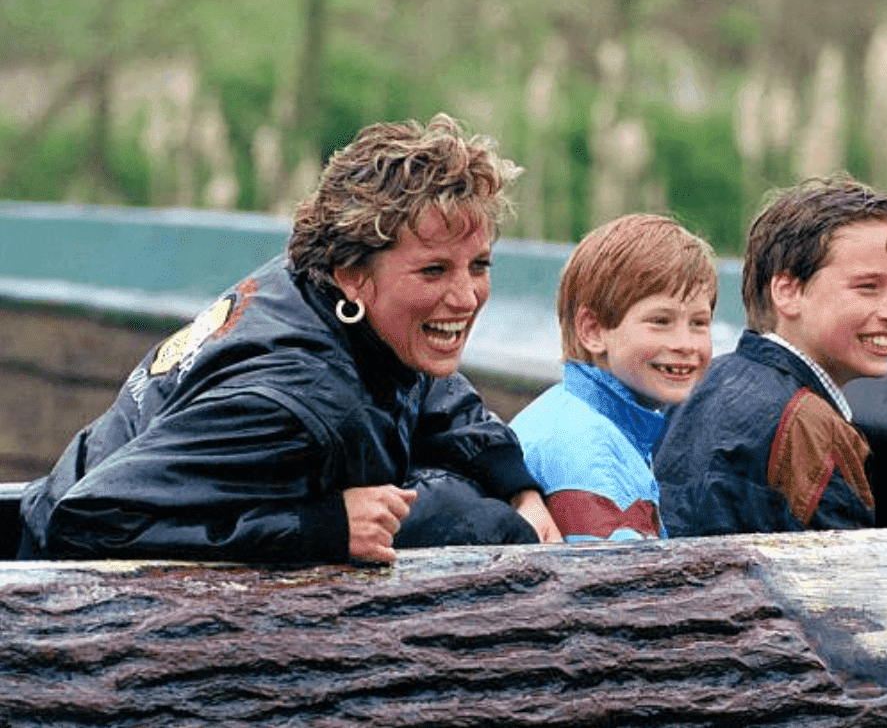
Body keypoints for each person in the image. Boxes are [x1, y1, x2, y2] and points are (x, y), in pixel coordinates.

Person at [19, 114, 560, 563]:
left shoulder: (322, 292)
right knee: (476, 526)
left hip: (93, 504)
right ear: (353, 273)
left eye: (480, 264)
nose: (466, 297)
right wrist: (322, 527)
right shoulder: (296, 400)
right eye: (434, 271)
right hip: (69, 614)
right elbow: (88, 521)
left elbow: (428, 388)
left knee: (476, 509)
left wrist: (518, 484)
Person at [654, 175, 887, 537]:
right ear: (788, 292)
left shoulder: (703, 381)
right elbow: (847, 580)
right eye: (868, 288)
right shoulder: (813, 427)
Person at [510, 214, 717, 542]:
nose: (685, 344)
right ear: (593, 331)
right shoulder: (594, 458)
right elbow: (618, 588)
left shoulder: (571, 411)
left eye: (699, 323)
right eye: (660, 320)